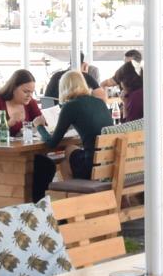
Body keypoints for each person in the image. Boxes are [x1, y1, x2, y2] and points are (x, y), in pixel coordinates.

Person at [38, 70, 112, 200]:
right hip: (108, 164)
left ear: (63, 88)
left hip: (92, 167)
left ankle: (76, 201)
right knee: (71, 149)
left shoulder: (70, 106)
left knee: (65, 159)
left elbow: (52, 143)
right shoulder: (100, 102)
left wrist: (39, 126)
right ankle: (79, 200)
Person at [0, 69, 44, 142]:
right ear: (13, 88)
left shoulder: (30, 103)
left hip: (23, 147)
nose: (30, 95)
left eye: (32, 92)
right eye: (25, 91)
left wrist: (40, 122)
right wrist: (8, 124)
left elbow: (43, 125)